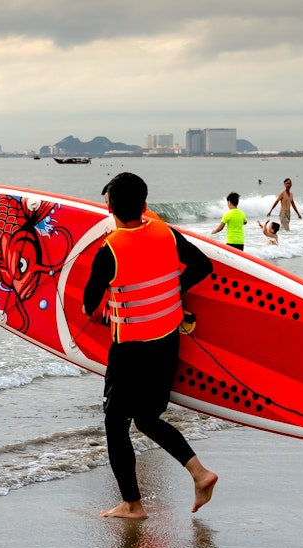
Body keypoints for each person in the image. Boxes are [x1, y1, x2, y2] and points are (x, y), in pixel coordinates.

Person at [82, 172, 218, 519]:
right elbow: (203, 265)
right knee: (145, 418)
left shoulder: (108, 250)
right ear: (145, 205)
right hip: (167, 342)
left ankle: (132, 505)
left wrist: (102, 312)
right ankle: (200, 474)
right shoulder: (167, 234)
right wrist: (173, 291)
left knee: (115, 423)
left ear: (109, 206)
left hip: (130, 350)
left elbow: (88, 305)